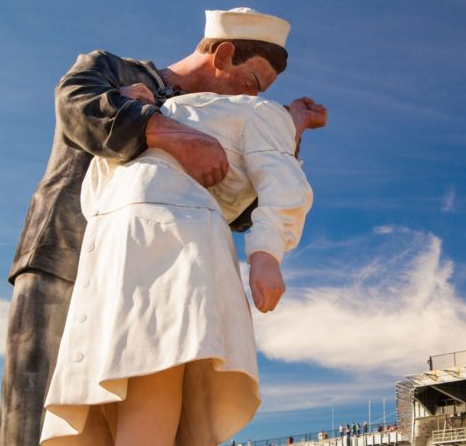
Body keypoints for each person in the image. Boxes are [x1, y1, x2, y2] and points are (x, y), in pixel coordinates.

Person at [0, 7, 302, 446]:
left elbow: (245, 203)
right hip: (66, 255)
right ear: (224, 54)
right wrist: (164, 129)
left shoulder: (225, 114)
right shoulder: (115, 70)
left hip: (163, 263)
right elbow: (76, 104)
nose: (250, 97)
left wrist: (285, 132)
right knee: (41, 399)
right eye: (252, 82)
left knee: (155, 380)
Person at [40, 91, 325, 444]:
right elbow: (282, 179)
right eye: (255, 78)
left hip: (125, 238)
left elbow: (277, 175)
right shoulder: (255, 110)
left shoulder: (200, 111)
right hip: (146, 236)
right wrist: (266, 254)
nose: (255, 87)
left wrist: (266, 254)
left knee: (140, 368)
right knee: (131, 374)